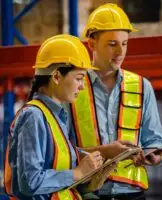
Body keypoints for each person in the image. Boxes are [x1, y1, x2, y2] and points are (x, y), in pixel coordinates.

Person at [67, 3, 162, 200]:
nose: (120, 52)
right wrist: (105, 152)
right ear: (92, 44)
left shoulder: (141, 86)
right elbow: (59, 149)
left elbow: (156, 141)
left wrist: (154, 155)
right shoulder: (72, 87)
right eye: (112, 44)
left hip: (132, 194)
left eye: (124, 43)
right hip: (87, 193)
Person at [4, 34, 107, 200]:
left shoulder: (54, 116)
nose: (82, 87)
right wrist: (77, 173)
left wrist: (91, 167)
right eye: (79, 78)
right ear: (57, 77)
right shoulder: (33, 117)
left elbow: (55, 165)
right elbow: (30, 181)